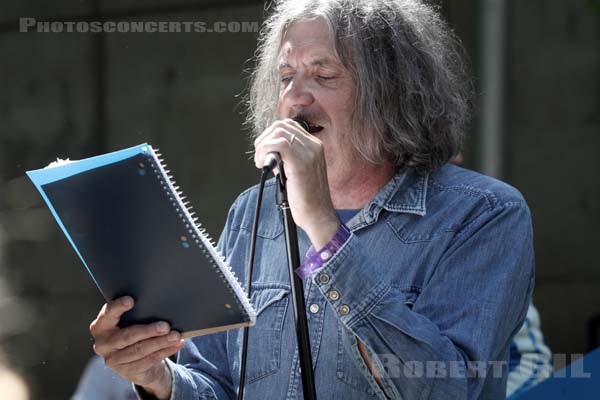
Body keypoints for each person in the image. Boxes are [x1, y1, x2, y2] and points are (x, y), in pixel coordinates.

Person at [89, 0, 535, 398]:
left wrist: (324, 227)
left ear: (392, 96)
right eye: (286, 77)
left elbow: (444, 389)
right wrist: (157, 378)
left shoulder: (484, 214)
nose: (295, 98)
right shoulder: (252, 212)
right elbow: (217, 383)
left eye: (324, 75)